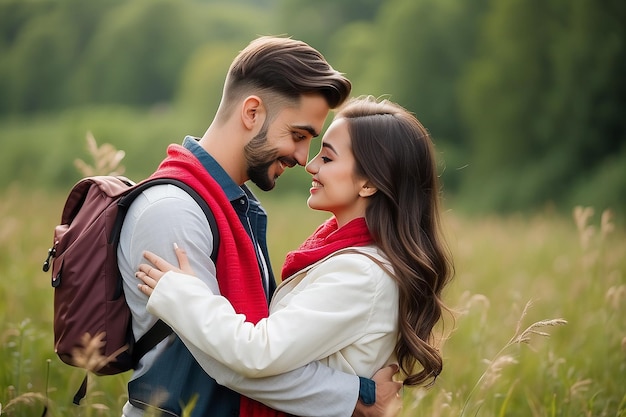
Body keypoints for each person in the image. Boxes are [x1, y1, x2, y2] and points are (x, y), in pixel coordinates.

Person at [118, 37, 402, 417]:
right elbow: (228, 362)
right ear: (252, 113)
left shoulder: (237, 208)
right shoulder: (174, 210)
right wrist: (355, 396)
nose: (304, 159)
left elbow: (256, 351)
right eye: (298, 136)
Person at [136, 96, 455, 411]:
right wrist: (355, 396)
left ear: (369, 183)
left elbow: (257, 354)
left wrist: (182, 295)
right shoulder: (348, 258)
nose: (310, 165)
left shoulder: (362, 275)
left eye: (327, 159)